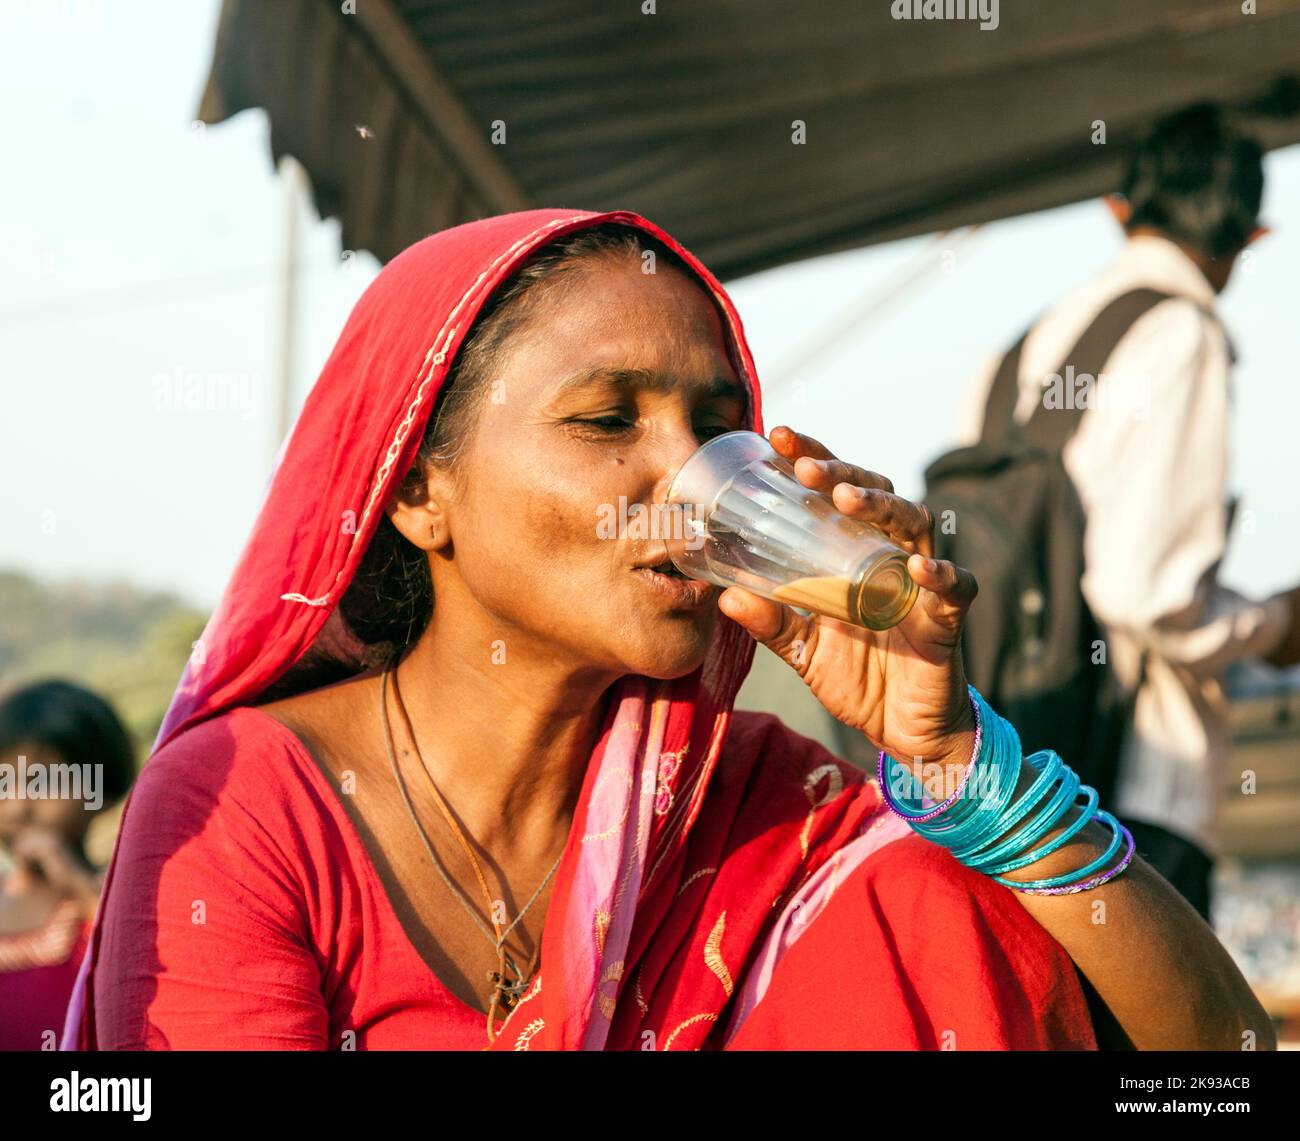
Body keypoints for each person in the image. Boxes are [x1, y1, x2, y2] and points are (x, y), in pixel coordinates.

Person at [62, 209, 1273, 1051]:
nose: (685, 483)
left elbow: (1213, 1055)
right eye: (605, 421)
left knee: (919, 898)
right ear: (419, 490)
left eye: (716, 424)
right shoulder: (253, 809)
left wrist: (959, 763)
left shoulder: (774, 813)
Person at [956, 103, 1300, 925]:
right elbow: (1150, 597)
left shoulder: (1018, 351)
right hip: (1138, 787)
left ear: (1122, 210)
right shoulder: (1182, 333)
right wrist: (1273, 626)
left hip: (1012, 782)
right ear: (1250, 238)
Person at [0, 679, 133, 1050]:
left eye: (43, 782)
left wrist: (79, 888)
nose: (17, 804)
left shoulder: (123, 900)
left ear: (102, 794)